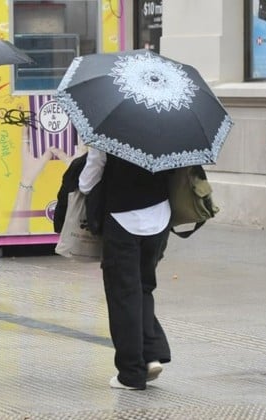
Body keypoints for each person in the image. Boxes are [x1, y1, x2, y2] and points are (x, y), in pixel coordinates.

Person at [78, 147, 172, 390]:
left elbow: (87, 181)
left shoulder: (111, 133)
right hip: (159, 218)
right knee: (144, 287)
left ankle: (131, 373)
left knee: (123, 295)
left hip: (123, 219)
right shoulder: (167, 130)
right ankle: (150, 355)